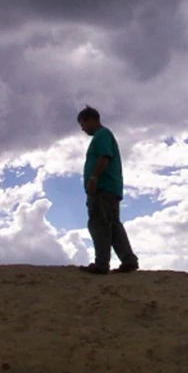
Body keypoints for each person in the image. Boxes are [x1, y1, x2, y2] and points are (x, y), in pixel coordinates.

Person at [76, 105, 139, 275]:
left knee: (99, 224)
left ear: (91, 119)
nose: (82, 129)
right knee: (113, 225)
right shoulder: (104, 135)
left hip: (102, 188)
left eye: (83, 124)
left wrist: (93, 178)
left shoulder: (101, 135)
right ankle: (128, 261)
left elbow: (105, 156)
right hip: (111, 187)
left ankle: (101, 264)